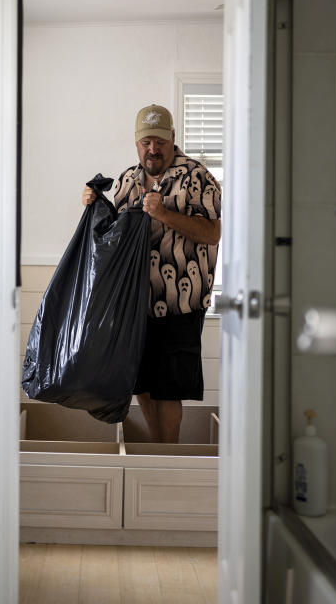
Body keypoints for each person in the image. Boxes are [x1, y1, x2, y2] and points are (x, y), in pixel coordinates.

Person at [82, 104, 221, 443]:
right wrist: (92, 204)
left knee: (167, 389)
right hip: (135, 304)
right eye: (146, 142)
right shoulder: (129, 179)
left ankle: (166, 455)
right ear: (136, 143)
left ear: (173, 138)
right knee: (141, 383)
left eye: (160, 141)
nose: (153, 149)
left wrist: (166, 215)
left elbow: (212, 233)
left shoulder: (197, 176)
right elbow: (116, 233)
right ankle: (155, 449)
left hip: (180, 303)